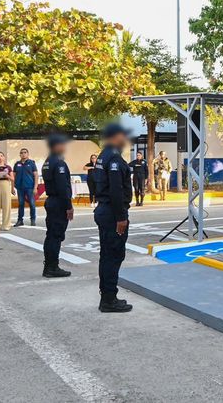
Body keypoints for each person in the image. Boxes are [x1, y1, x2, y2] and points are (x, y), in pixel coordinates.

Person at [93, 124, 133, 312]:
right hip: (112, 213)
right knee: (114, 255)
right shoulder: (114, 158)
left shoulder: (103, 155)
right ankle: (109, 299)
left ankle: (107, 296)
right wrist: (121, 217)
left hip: (104, 209)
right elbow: (116, 190)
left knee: (106, 255)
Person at [40, 135, 73, 278]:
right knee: (56, 236)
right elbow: (63, 187)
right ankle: (52, 267)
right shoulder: (59, 163)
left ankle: (49, 265)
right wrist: (69, 206)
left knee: (51, 235)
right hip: (59, 202)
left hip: (52, 201)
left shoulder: (47, 162)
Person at [13, 148, 38, 227]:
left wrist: (35, 187)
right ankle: (20, 220)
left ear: (28, 154)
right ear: (20, 154)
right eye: (21, 153)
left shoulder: (31, 163)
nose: (23, 154)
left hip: (29, 187)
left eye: (25, 152)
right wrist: (12, 187)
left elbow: (36, 175)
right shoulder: (17, 164)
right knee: (20, 204)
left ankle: (33, 220)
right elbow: (13, 176)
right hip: (20, 188)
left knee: (32, 204)